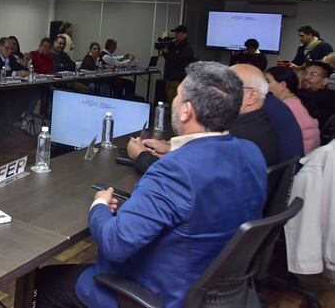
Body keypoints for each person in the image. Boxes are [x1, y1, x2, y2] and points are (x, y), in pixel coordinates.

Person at [34, 62, 266, 308]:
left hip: (160, 294)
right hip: (212, 289)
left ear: (187, 111)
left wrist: (99, 205)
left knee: (43, 282)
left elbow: (114, 243)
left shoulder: (176, 170)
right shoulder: (251, 153)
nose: (173, 101)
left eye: (177, 95)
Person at [130, 63, 282, 171]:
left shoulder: (241, 137)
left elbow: (186, 179)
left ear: (251, 96)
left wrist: (141, 156)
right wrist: (170, 148)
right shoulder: (255, 125)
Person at [265, 66, 320, 155]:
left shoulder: (283, 107)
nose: (262, 85)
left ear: (283, 85)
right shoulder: (298, 100)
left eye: (267, 81)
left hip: (298, 159)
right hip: (310, 154)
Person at [298, 61, 335, 140]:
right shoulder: (330, 95)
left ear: (325, 81)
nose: (306, 77)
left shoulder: (315, 99)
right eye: (305, 73)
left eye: (313, 75)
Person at [161, 25, 196, 103]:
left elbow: (179, 59)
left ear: (184, 34)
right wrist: (165, 51)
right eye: (175, 33)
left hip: (177, 79)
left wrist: (168, 53)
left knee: (175, 102)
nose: (176, 35)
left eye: (178, 33)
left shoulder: (187, 47)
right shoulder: (175, 44)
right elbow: (168, 57)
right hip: (169, 77)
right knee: (169, 100)